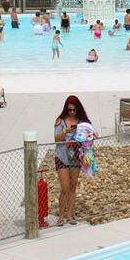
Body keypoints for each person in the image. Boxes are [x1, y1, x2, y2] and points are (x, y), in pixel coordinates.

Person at [53, 96, 91, 225]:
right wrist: (66, 132)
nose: (72, 112)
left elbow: (90, 136)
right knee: (65, 187)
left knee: (73, 186)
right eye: (70, 110)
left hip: (75, 157)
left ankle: (69, 215)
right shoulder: (60, 121)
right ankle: (61, 216)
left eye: (74, 110)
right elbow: (57, 140)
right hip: (62, 156)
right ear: (66, 109)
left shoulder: (82, 122)